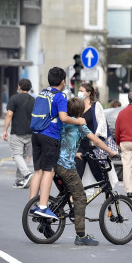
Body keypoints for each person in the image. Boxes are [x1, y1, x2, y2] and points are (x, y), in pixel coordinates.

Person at [53, 97, 119, 246]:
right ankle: (81, 236)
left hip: (55, 163)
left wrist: (75, 153)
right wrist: (110, 151)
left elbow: (65, 141)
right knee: (81, 197)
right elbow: (96, 140)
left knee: (66, 195)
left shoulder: (64, 121)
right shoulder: (80, 125)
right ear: (81, 111)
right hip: (66, 166)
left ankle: (50, 216)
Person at [29, 67, 86, 221]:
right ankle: (42, 207)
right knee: (49, 171)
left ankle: (32, 205)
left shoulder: (42, 92)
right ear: (62, 81)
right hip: (49, 136)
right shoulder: (60, 96)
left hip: (36, 134)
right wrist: (78, 121)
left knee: (38, 171)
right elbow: (63, 117)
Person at [74, 82, 108, 185]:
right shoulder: (78, 106)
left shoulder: (95, 105)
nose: (79, 93)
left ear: (88, 93)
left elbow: (101, 122)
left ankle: (108, 193)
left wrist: (96, 137)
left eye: (81, 91)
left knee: (98, 172)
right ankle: (74, 196)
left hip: (93, 143)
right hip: (81, 143)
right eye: (79, 91)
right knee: (78, 171)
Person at [4, 79, 35, 188]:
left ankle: (27, 174)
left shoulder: (14, 99)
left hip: (17, 132)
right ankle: (19, 180)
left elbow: (9, 115)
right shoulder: (33, 100)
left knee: (16, 155)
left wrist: (5, 130)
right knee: (22, 156)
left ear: (20, 87)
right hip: (30, 132)